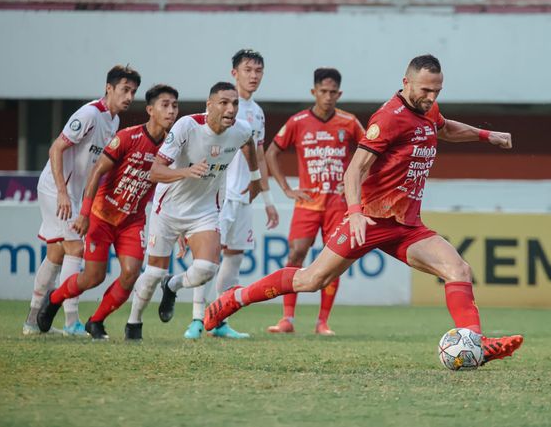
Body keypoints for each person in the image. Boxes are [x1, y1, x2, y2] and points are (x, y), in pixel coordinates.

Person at [205, 55, 524, 364]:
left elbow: (444, 128)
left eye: (436, 91)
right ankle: (234, 298)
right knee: (310, 279)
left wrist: (486, 135)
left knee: (460, 270)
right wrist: (355, 212)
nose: (430, 97)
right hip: (369, 220)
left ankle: (474, 343)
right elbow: (354, 170)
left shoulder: (429, 109)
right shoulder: (388, 118)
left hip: (407, 226)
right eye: (425, 90)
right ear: (406, 82)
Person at [36, 84, 179, 339]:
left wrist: (180, 229)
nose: (171, 111)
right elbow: (96, 172)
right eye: (165, 105)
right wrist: (85, 214)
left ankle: (97, 321)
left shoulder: (172, 148)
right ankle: (55, 298)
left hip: (132, 222)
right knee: (93, 277)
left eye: (174, 106)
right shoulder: (127, 137)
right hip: (102, 216)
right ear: (150, 110)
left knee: (131, 273)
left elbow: (171, 189)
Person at [125, 81, 262, 340]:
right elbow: (154, 172)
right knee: (153, 272)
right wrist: (186, 171)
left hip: (205, 210)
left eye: (234, 103)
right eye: (224, 102)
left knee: (207, 269)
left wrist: (255, 178)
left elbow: (249, 143)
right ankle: (134, 323)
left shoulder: (241, 129)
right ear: (209, 105)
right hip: (168, 209)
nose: (231, 108)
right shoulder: (188, 126)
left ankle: (173, 285)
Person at [24, 65, 140, 336]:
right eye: (124, 89)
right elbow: (57, 147)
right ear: (109, 88)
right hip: (57, 189)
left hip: (74, 194)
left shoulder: (114, 121)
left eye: (133, 91)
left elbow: (96, 167)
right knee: (76, 249)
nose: (129, 96)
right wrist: (63, 192)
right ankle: (71, 322)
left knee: (56, 254)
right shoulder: (89, 114)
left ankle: (31, 322)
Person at [184, 49, 279, 340]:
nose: (254, 76)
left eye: (258, 71)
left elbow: (259, 157)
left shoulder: (258, 113)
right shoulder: (218, 109)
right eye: (248, 70)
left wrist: (266, 198)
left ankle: (219, 319)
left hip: (244, 197)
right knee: (208, 259)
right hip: (217, 195)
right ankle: (197, 319)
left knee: (234, 258)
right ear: (234, 73)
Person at [265, 67, 364, 336]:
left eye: (333, 92)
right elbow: (271, 152)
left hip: (338, 204)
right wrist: (286, 188)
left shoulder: (349, 122)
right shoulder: (297, 122)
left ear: (339, 93)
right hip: (307, 202)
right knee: (296, 253)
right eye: (323, 91)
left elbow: (371, 152)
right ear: (314, 92)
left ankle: (323, 322)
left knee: (333, 261)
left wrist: (357, 188)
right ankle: (287, 319)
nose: (328, 96)